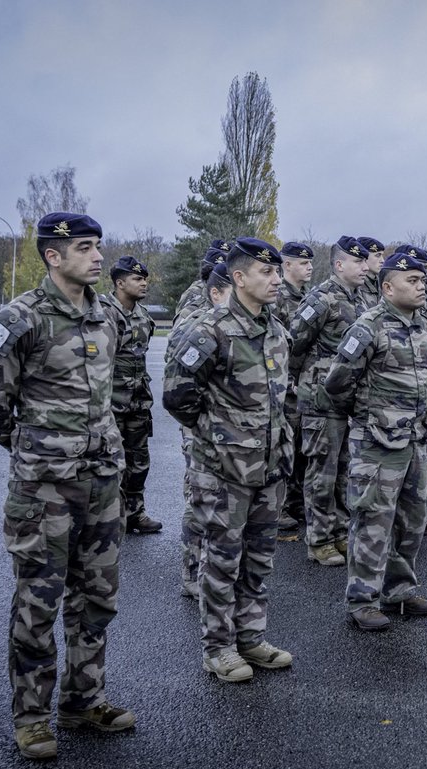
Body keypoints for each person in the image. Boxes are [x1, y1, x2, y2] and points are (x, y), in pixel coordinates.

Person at [0, 212, 134, 760]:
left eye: (98, 246)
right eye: (84, 248)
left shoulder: (107, 315)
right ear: (53, 256)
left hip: (102, 483)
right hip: (44, 491)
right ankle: (33, 719)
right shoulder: (20, 318)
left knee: (96, 599)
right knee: (38, 602)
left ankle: (84, 701)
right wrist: (37, 451)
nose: (96, 256)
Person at [162, 237, 295, 683]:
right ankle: (219, 648)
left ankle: (251, 638)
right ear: (238, 278)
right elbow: (178, 395)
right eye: (266, 273)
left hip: (270, 467)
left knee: (259, 559)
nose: (276, 280)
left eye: (277, 272)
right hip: (223, 471)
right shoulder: (209, 329)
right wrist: (219, 436)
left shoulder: (276, 329)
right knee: (221, 561)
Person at [326, 253, 427, 630]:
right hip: (376, 443)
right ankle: (362, 600)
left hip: (414, 440)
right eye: (412, 280)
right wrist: (367, 415)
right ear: (388, 287)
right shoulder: (368, 327)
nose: (421, 286)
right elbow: (337, 383)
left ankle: (399, 589)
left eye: (423, 280)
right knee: (373, 522)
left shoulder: (423, 326)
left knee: (412, 520)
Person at [289, 236, 369, 566]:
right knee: (321, 470)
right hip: (320, 398)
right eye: (358, 261)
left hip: (347, 399)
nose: (365, 267)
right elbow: (294, 343)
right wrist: (300, 384)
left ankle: (337, 532)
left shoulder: (359, 298)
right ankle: (319, 538)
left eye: (366, 261)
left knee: (343, 471)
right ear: (339, 265)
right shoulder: (321, 299)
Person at [175, 260, 234, 598]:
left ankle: (218, 572)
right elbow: (178, 391)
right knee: (200, 500)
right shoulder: (198, 328)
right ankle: (192, 573)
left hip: (239, 443)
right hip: (204, 433)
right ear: (216, 293)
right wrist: (204, 425)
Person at [100, 256, 162, 534]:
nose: (143, 283)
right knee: (108, 463)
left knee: (139, 463)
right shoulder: (103, 313)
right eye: (137, 279)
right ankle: (107, 518)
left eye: (144, 278)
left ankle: (134, 513)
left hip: (137, 401)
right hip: (109, 403)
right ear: (120, 282)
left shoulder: (143, 316)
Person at [274, 241, 315, 533]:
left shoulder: (309, 298)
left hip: (304, 384)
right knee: (283, 446)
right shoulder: (276, 298)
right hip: (284, 382)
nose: (309, 266)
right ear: (287, 265)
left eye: (310, 262)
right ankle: (280, 505)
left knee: (302, 446)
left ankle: (297, 499)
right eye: (303, 262)